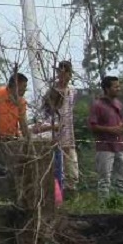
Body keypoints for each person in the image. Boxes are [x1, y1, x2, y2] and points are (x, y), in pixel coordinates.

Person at [89, 75, 123, 200]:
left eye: (118, 86)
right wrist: (110, 130)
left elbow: (122, 121)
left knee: (122, 179)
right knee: (104, 180)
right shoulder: (97, 105)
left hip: (120, 146)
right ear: (107, 88)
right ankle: (104, 207)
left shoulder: (119, 104)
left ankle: (121, 204)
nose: (118, 88)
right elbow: (92, 126)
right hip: (105, 148)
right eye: (115, 86)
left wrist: (122, 126)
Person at [52, 60, 80, 193]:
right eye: (61, 73)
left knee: (72, 169)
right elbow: (47, 114)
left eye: (67, 73)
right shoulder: (52, 92)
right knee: (57, 168)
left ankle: (70, 194)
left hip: (69, 135)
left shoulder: (72, 92)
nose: (64, 76)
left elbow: (70, 113)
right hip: (54, 134)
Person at [0, 73, 28, 141]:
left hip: (12, 139)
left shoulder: (21, 102)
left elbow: (23, 124)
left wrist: (27, 139)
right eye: (23, 86)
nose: (25, 90)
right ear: (15, 85)